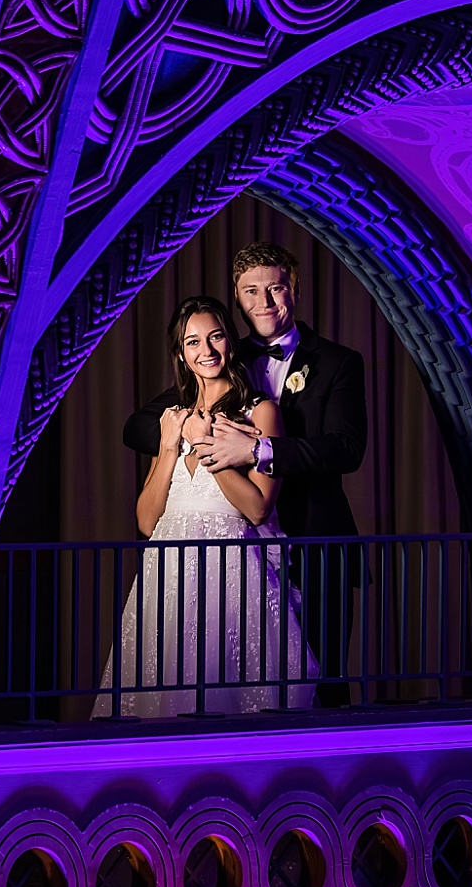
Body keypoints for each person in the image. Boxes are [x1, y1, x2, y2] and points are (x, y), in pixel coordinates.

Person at [123, 243, 367, 705]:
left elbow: (348, 449)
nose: (265, 302)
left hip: (312, 538)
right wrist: (182, 435)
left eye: (275, 288)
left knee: (319, 681)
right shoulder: (211, 371)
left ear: (293, 289)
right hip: (214, 554)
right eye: (251, 291)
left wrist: (257, 448)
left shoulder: (338, 362)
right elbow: (135, 426)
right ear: (237, 299)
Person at [95, 295, 315, 717]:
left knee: (230, 696)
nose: (206, 351)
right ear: (181, 353)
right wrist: (168, 443)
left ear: (230, 342)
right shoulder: (172, 417)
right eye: (193, 342)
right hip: (169, 575)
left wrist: (204, 446)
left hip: (231, 574)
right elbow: (145, 520)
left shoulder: (261, 412)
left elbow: (257, 509)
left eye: (215, 337)